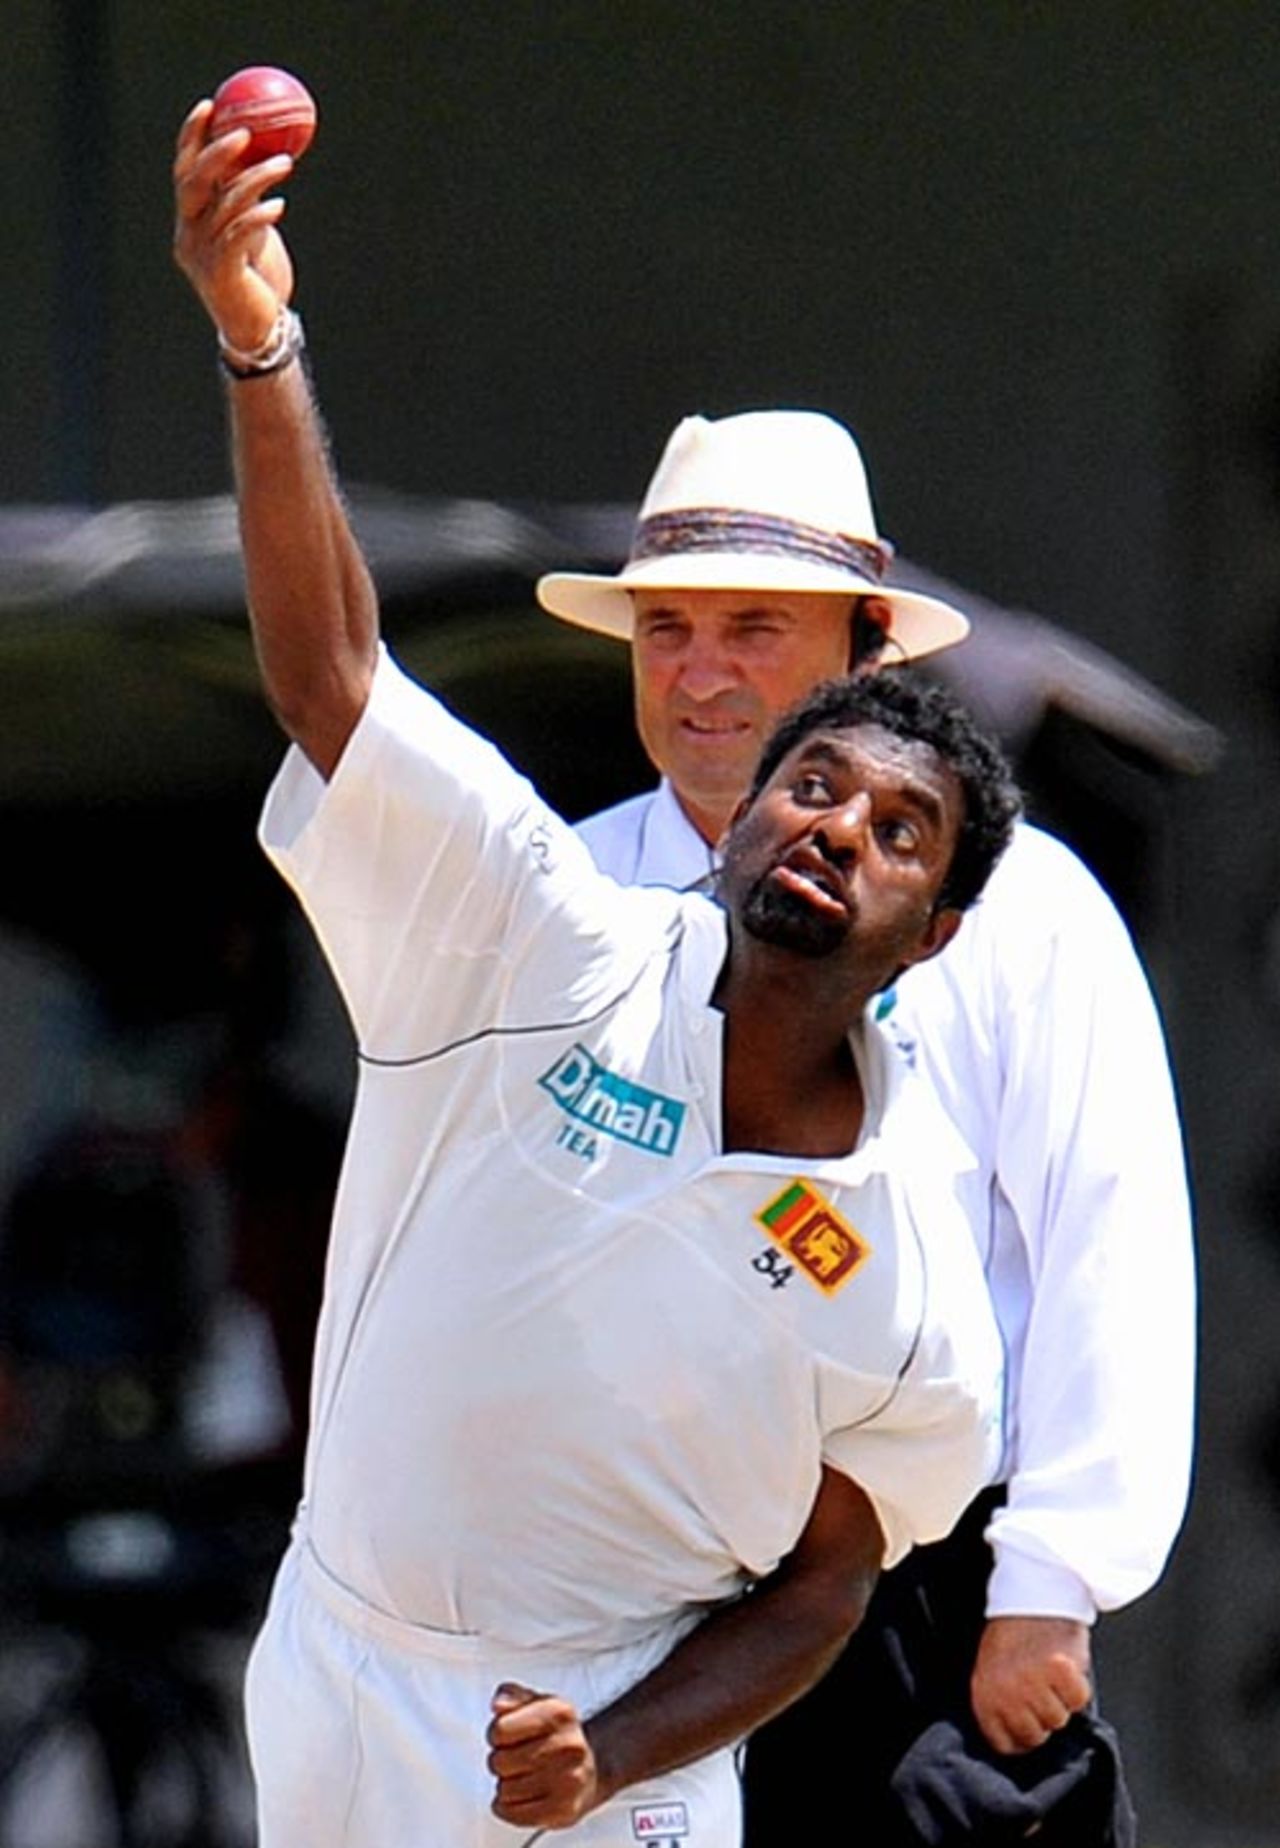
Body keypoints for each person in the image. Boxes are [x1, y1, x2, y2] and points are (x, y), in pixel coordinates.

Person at [171, 96, 1025, 1845]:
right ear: (721, 826)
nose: (834, 829)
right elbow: (337, 676)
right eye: (810, 785)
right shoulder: (539, 938)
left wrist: (616, 1751)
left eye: (896, 830)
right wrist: (263, 345)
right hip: (333, 1671)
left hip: (579, 1768)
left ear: (933, 934)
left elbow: (825, 1584)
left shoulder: (913, 1261)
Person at [536, 409, 1197, 1843]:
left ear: (862, 649)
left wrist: (1051, 1582)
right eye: (666, 632)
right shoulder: (560, 900)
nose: (703, 676)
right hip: (628, 1580)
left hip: (922, 1585)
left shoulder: (1019, 911)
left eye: (754, 629)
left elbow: (1108, 1241)